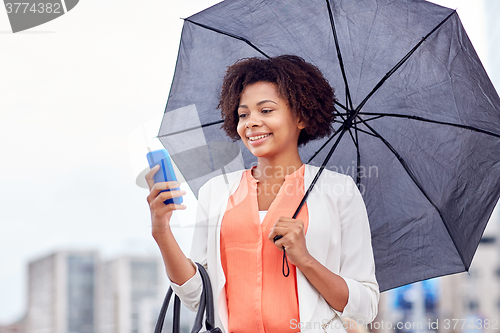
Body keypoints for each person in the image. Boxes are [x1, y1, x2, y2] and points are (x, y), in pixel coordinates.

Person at [146, 55, 379, 333]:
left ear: (301, 116)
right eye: (243, 114)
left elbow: (366, 307)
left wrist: (304, 259)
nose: (251, 122)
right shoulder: (216, 192)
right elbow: (197, 297)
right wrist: (161, 231)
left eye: (266, 111)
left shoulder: (338, 192)